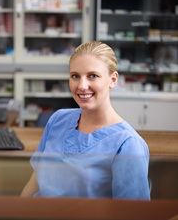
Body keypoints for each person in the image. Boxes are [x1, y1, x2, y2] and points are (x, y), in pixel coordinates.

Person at [21, 41, 150, 200]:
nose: (82, 86)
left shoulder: (128, 144)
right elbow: (35, 181)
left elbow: (132, 213)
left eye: (93, 76)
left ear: (113, 79)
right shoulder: (58, 120)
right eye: (75, 76)